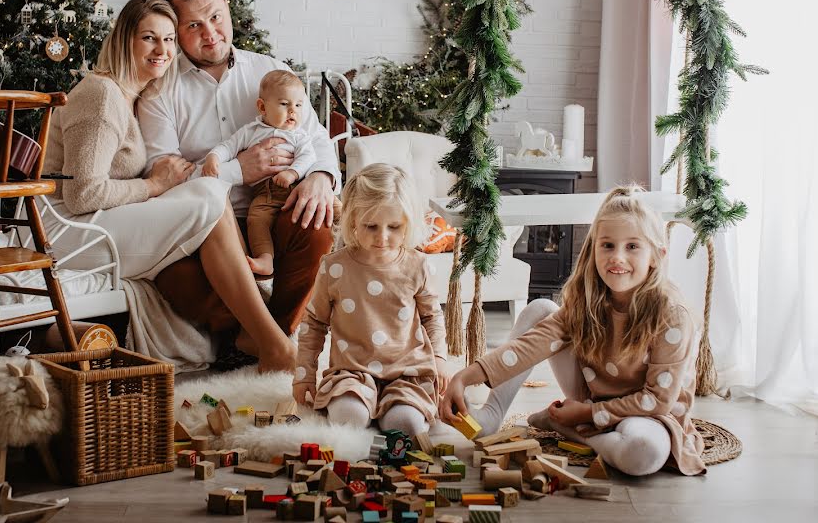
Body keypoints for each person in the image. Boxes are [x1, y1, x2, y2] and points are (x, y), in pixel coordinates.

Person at [42, 0, 295, 372]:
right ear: (124, 39)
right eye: (148, 38)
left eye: (169, 39)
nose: (162, 49)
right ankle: (271, 341)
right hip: (67, 232)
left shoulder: (131, 94)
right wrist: (155, 186)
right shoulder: (100, 95)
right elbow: (82, 195)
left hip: (97, 221)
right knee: (208, 190)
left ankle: (256, 331)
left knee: (207, 187)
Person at [441, 186, 706, 476]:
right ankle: (492, 415)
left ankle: (567, 426)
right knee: (541, 310)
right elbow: (531, 346)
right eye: (607, 245)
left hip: (647, 415)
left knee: (645, 453)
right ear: (593, 249)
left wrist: (585, 414)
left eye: (632, 246)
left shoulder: (671, 315)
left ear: (657, 256)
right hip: (592, 397)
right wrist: (464, 377)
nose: (617, 257)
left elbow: (657, 401)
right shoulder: (588, 298)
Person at [137, 0, 338, 343]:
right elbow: (162, 178)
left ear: (228, 8)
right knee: (174, 278)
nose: (210, 33)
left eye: (215, 17)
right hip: (202, 230)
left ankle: (268, 339)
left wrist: (320, 178)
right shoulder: (159, 91)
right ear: (175, 31)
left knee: (316, 229)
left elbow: (317, 138)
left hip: (275, 206)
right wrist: (235, 171)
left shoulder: (268, 70)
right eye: (193, 25)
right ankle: (256, 341)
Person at [293, 164, 449, 437]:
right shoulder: (334, 267)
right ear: (353, 221)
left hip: (407, 372)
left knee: (405, 425)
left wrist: (439, 358)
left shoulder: (417, 265)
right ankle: (366, 406)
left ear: (408, 222)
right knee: (348, 419)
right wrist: (305, 374)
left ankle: (393, 407)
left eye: (394, 226)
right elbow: (314, 324)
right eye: (371, 226)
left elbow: (432, 317)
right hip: (351, 372)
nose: (382, 237)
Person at [201, 70, 316, 275]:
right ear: (262, 107)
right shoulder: (251, 131)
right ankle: (265, 258)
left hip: (296, 186)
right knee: (256, 219)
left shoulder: (299, 135)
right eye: (284, 104)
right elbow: (228, 146)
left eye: (298, 105)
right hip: (265, 193)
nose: (293, 111)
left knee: (330, 205)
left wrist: (292, 173)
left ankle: (354, 225)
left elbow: (308, 157)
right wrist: (213, 157)